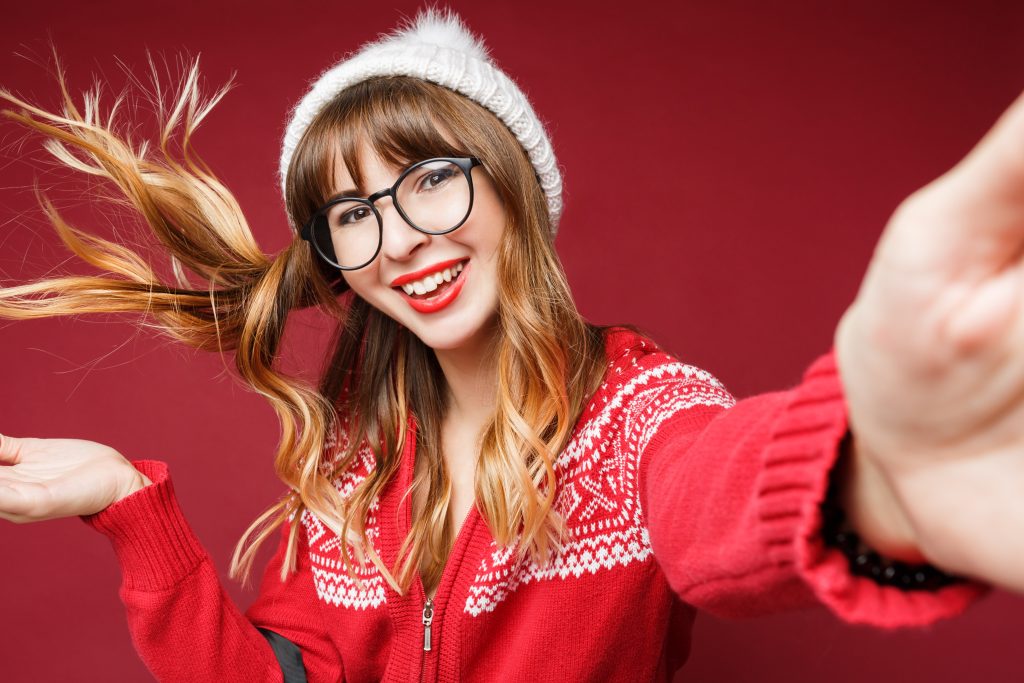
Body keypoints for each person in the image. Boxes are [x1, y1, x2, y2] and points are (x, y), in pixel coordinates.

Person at [0, 6, 1020, 682]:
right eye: (352, 212)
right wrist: (131, 509)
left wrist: (872, 470)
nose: (399, 238)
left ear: (510, 184)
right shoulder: (350, 464)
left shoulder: (638, 411)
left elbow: (718, 493)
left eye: (430, 178)